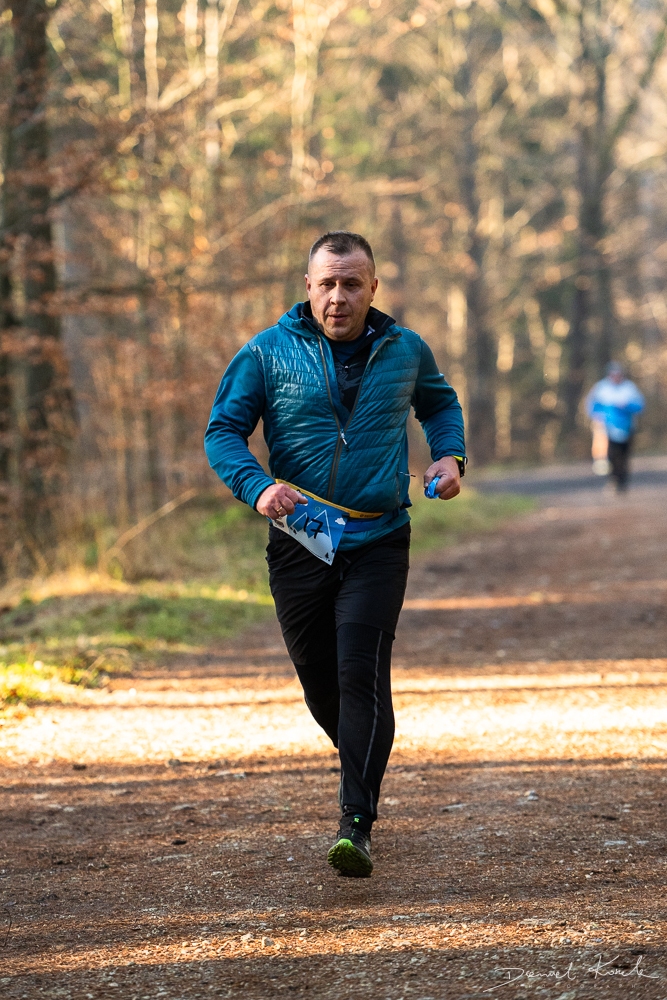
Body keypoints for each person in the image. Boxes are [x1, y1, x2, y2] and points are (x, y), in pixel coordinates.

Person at [205, 231, 465, 878]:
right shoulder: (265, 353)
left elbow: (439, 405)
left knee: (359, 673)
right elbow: (224, 432)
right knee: (320, 681)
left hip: (378, 539)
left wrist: (449, 456)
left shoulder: (405, 349)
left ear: (373, 287)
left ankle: (356, 822)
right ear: (308, 287)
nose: (338, 297)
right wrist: (257, 487)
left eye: (352, 283)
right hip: (299, 541)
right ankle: (361, 759)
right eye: (327, 283)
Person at [585, 362, 644, 491]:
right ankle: (614, 479)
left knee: (624, 455)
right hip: (607, 428)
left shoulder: (629, 388)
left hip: (627, 427)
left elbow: (640, 406)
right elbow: (592, 406)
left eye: (618, 375)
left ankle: (622, 481)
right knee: (611, 454)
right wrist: (599, 416)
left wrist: (627, 406)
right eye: (613, 375)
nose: (616, 377)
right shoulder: (601, 388)